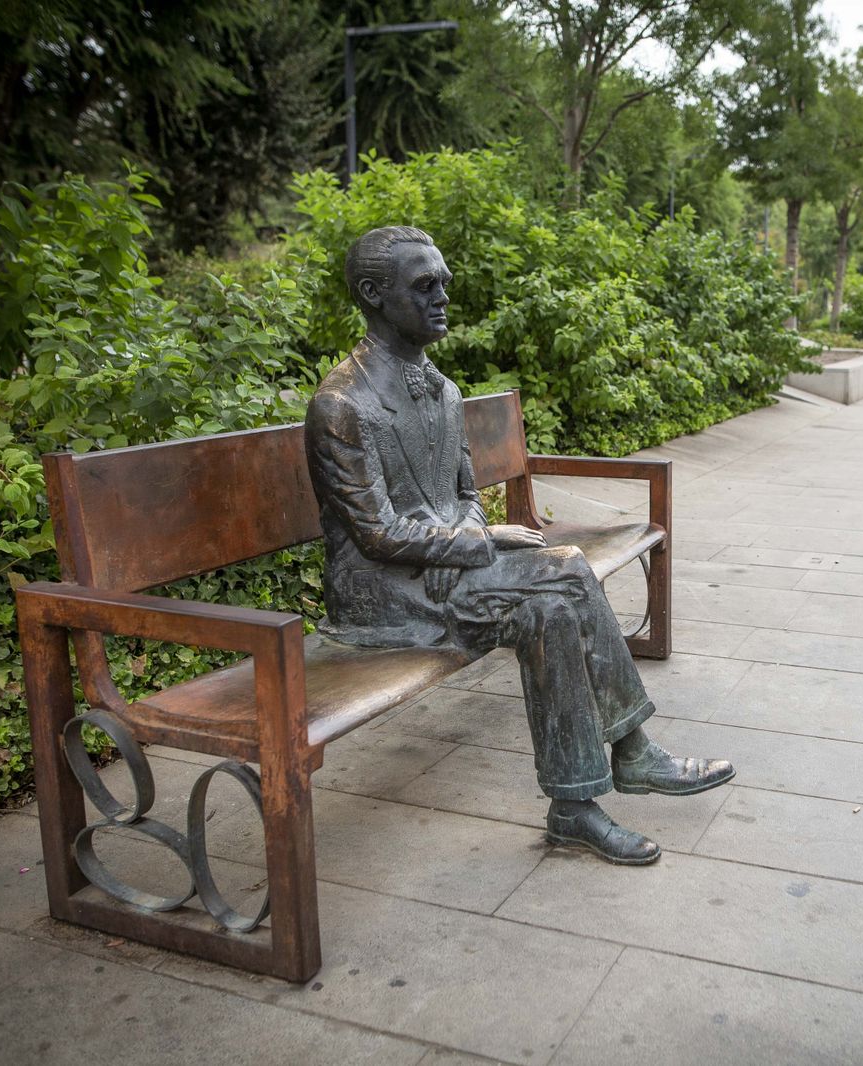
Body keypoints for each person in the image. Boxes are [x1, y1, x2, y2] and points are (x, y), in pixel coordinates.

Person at [304, 226, 734, 864]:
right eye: (425, 286)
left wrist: (466, 542)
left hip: (441, 567)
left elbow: (466, 497)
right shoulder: (343, 404)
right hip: (379, 593)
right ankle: (628, 758)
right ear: (372, 294)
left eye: (445, 282)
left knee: (551, 601)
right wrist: (464, 547)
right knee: (560, 573)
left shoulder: (444, 391)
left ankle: (576, 806)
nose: (443, 296)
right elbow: (377, 533)